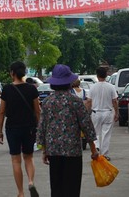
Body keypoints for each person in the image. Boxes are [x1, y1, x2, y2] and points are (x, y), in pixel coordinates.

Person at [37, 65, 98, 197]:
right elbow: (86, 126)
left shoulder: (47, 102)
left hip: (53, 151)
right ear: (69, 82)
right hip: (73, 151)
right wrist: (93, 149)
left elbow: (42, 127)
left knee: (56, 187)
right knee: (72, 187)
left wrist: (44, 150)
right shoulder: (75, 101)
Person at [0, 61, 40, 197]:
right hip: (29, 127)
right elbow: (37, 110)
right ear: (24, 72)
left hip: (12, 128)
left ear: (12, 73)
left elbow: (2, 112)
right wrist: (39, 127)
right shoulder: (32, 89)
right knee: (29, 157)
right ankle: (31, 182)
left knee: (16, 160)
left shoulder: (7, 90)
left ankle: (21, 193)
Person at [87, 67, 119, 161]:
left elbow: (89, 101)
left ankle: (96, 147)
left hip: (96, 112)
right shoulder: (111, 87)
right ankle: (104, 154)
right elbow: (115, 101)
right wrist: (116, 112)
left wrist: (86, 112)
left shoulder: (92, 87)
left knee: (95, 132)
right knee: (106, 134)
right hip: (108, 112)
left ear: (97, 76)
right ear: (106, 75)